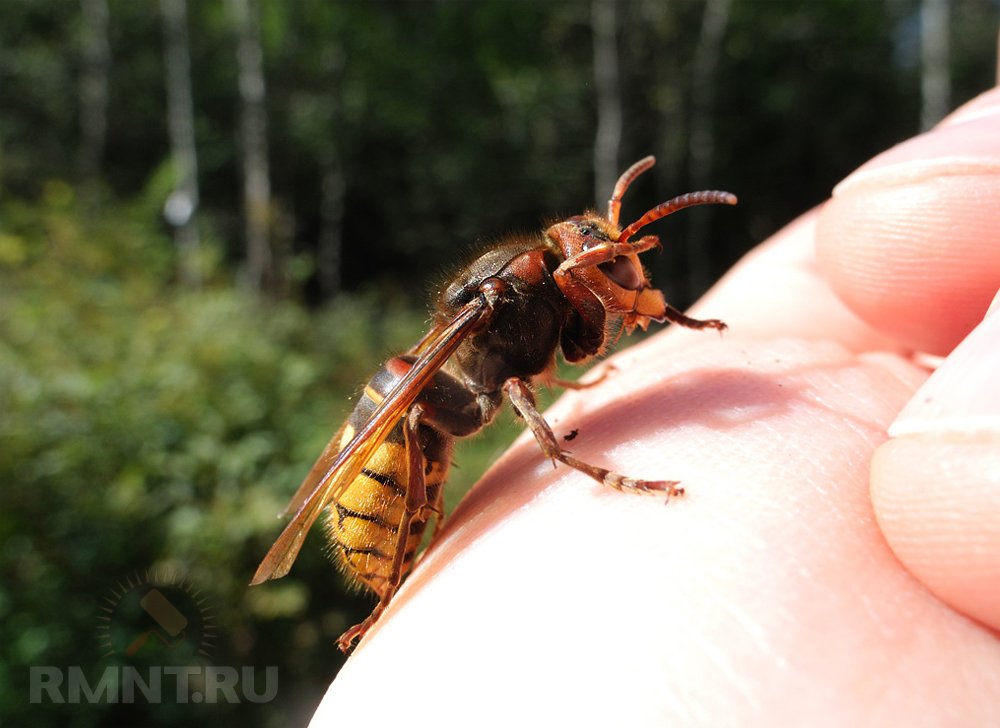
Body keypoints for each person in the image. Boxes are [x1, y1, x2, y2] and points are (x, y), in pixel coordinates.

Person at [311, 87, 1000, 726]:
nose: (622, 279)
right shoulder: (505, 306)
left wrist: (672, 321)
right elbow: (511, 379)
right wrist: (608, 473)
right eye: (606, 265)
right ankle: (383, 602)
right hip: (398, 429)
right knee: (420, 415)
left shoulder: (536, 297)